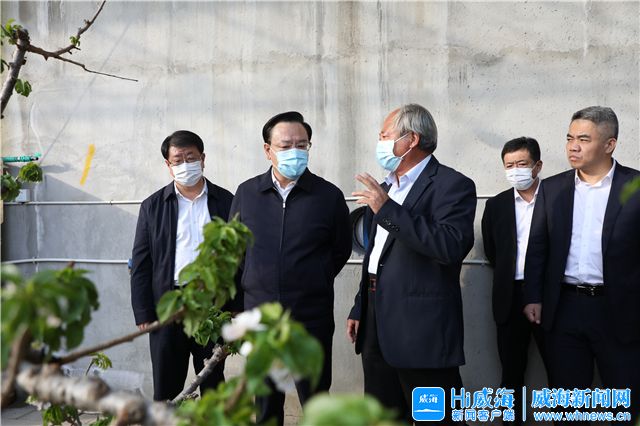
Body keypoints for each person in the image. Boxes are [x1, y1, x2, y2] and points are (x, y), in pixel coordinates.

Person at [346, 104, 476, 424]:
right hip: (376, 321)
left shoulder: (452, 185)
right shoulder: (385, 187)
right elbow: (376, 256)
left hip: (422, 329)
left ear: (412, 139)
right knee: (383, 415)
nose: (380, 142)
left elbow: (449, 246)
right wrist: (360, 306)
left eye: (385, 135)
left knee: (436, 417)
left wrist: (388, 210)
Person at [229, 111, 351, 425]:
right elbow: (236, 251)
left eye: (301, 144)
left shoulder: (328, 196)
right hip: (261, 318)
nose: (294, 151)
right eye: (285, 146)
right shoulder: (247, 193)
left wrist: (313, 278)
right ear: (267, 150)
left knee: (315, 400)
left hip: (311, 318)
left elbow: (340, 249)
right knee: (266, 403)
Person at [524, 106, 640, 423]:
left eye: (584, 139)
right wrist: (533, 296)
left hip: (620, 310)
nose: (573, 147)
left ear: (609, 144)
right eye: (569, 138)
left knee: (624, 404)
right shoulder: (552, 188)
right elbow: (538, 246)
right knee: (567, 404)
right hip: (565, 308)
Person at [130, 130, 237, 401]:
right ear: (168, 165)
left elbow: (240, 256)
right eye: (178, 160)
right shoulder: (153, 206)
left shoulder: (227, 201)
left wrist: (238, 304)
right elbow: (142, 263)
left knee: (213, 378)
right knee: (167, 382)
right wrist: (143, 312)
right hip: (168, 306)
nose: (185, 164)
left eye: (191, 157)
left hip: (213, 304)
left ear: (203, 159)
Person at [481, 137, 548, 424]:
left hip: (549, 297)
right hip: (509, 297)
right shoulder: (496, 205)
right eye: (509, 165)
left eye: (522, 163)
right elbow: (492, 250)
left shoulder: (556, 198)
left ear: (537, 166)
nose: (515, 170)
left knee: (562, 371)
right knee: (511, 373)